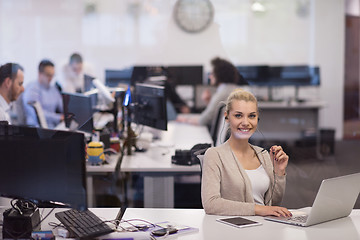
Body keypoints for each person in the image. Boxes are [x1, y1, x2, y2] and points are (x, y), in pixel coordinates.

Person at [201, 88, 291, 217]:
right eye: (238, 115)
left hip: (263, 229)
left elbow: (272, 205)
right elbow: (211, 204)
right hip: (231, 230)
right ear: (227, 117)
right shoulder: (214, 155)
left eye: (251, 116)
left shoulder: (263, 155)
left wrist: (279, 173)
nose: (245, 122)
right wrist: (258, 209)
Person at [177, 57, 247, 125]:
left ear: (219, 75)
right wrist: (208, 102)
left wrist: (186, 120)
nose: (209, 76)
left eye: (212, 73)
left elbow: (204, 120)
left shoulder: (222, 93)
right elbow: (214, 116)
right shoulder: (234, 89)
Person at [23, 59, 63, 128]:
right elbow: (38, 114)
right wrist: (59, 118)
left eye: (52, 75)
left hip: (53, 127)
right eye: (48, 75)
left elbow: (62, 106)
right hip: (37, 128)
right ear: (39, 74)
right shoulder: (32, 89)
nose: (51, 78)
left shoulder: (53, 88)